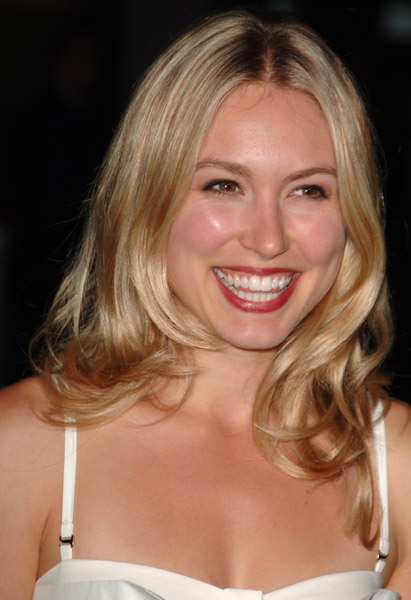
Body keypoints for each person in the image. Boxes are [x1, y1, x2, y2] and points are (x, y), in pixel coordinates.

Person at [0, 9, 410, 599]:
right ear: (149, 199)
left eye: (309, 190)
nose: (268, 239)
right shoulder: (26, 445)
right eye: (224, 184)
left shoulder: (397, 463)